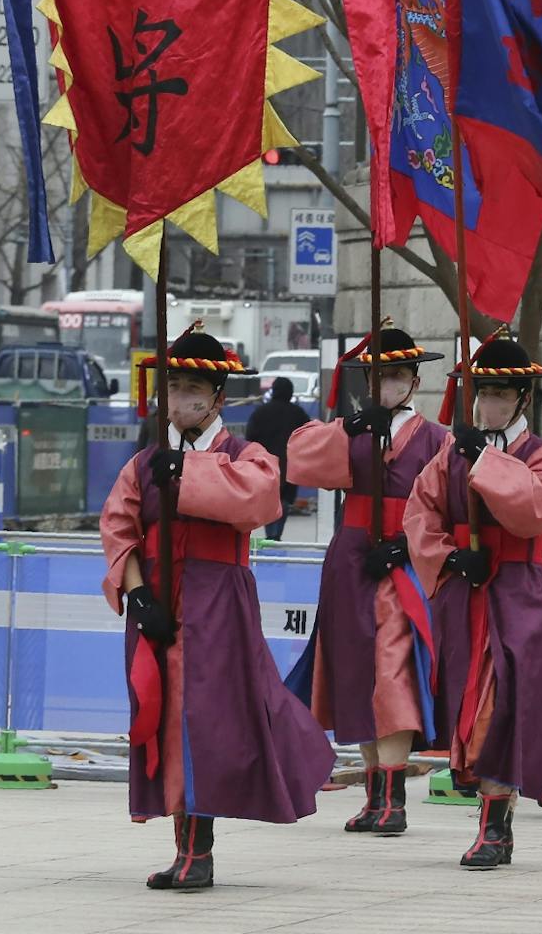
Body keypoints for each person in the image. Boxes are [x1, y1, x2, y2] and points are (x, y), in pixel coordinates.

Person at [98, 324, 334, 892]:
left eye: (193, 389)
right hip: (156, 599)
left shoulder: (244, 454)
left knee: (208, 717)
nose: (180, 399)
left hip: (218, 599)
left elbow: (255, 501)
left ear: (218, 399)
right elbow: (118, 528)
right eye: (173, 387)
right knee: (162, 714)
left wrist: (185, 473)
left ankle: (199, 850)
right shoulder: (145, 461)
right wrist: (138, 593)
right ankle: (185, 846)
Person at [402, 329, 542, 870]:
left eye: (500, 393)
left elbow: (535, 510)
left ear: (522, 399)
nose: (489, 403)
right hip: (466, 592)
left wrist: (484, 463)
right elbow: (420, 512)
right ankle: (492, 808)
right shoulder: (449, 454)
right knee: (471, 702)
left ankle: (495, 826)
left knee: (503, 702)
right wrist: (447, 556)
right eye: (482, 391)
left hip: (518, 592)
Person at [285, 323, 451, 837]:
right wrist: (352, 429)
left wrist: (404, 545)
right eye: (381, 377)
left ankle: (395, 795)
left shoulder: (437, 439)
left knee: (392, 668)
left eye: (399, 376)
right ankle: (375, 792)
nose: (389, 385)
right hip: (351, 558)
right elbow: (299, 459)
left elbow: (449, 504)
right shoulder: (350, 429)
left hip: (403, 560)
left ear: (415, 383)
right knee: (356, 671)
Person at [245, 376, 311, 541]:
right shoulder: (298, 413)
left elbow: (250, 438)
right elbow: (309, 436)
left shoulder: (260, 413)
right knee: (285, 500)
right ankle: (277, 534)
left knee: (270, 498)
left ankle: (270, 534)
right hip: (291, 465)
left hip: (266, 464)